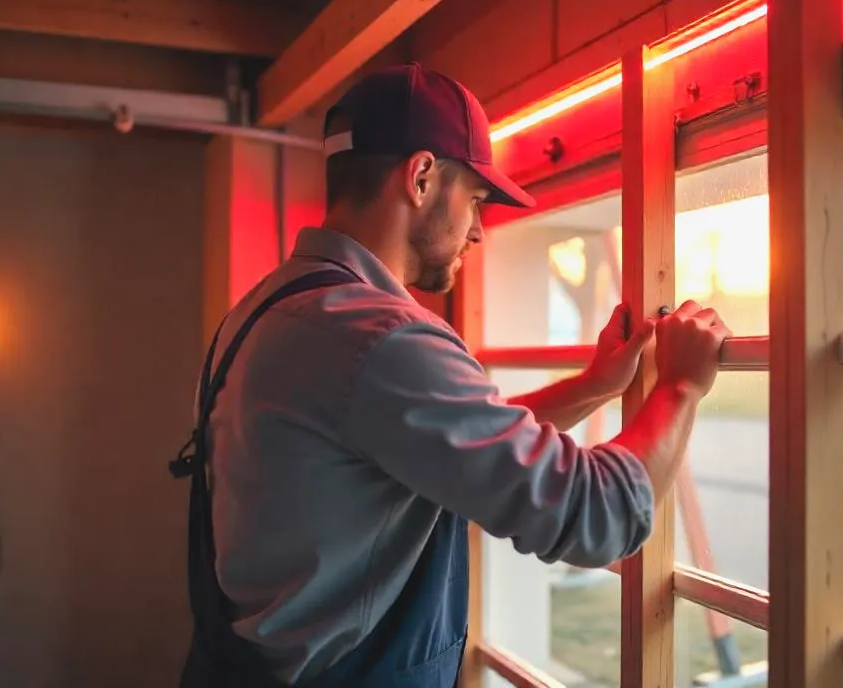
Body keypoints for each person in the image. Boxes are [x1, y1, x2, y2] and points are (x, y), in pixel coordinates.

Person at [170, 62, 730, 688]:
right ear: (422, 176)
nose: (481, 231)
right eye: (477, 200)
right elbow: (598, 516)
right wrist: (681, 386)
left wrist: (596, 385)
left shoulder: (262, 312)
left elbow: (434, 443)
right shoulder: (381, 337)